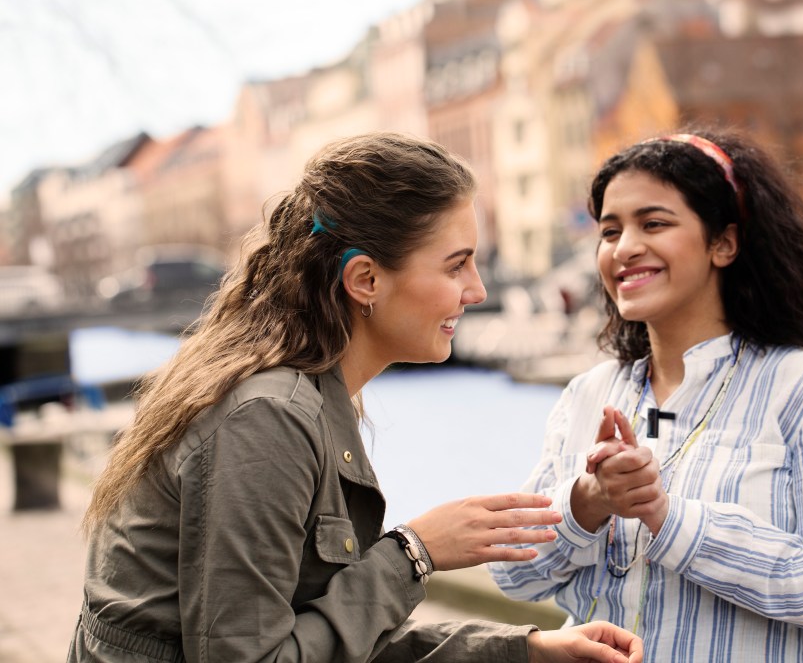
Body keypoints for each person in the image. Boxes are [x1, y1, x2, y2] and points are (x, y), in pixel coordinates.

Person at [69, 132, 643, 663]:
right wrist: (415, 553)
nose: (479, 289)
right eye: (457, 264)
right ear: (365, 280)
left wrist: (530, 649)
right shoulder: (266, 419)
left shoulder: (305, 393)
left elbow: (323, 638)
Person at [489, 129, 803, 661]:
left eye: (653, 223)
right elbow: (512, 577)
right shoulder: (588, 393)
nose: (624, 248)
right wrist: (587, 503)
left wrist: (670, 519)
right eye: (609, 231)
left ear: (724, 243)